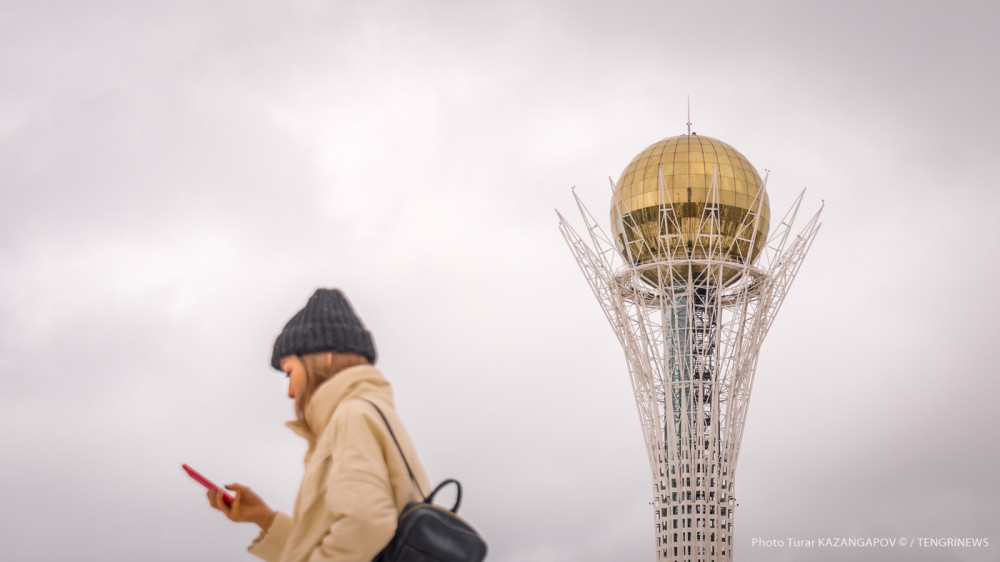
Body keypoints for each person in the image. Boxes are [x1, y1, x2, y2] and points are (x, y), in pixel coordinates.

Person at [207, 288, 431, 562]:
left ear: (324, 357)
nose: (290, 391)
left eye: (290, 372)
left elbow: (366, 524)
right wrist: (265, 519)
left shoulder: (352, 416)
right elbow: (362, 544)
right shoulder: (370, 413)